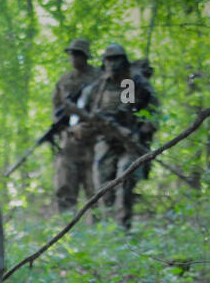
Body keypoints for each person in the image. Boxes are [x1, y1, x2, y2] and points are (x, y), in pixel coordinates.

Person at [75, 43, 159, 228]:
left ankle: (122, 227)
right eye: (109, 60)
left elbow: (142, 112)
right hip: (105, 141)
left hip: (130, 140)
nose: (112, 64)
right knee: (103, 185)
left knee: (125, 179)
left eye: (116, 59)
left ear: (124, 61)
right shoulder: (97, 88)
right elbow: (80, 117)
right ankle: (107, 227)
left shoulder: (131, 83)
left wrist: (142, 130)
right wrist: (83, 127)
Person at [51, 39, 101, 212]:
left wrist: (88, 126)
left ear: (85, 56)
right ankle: (66, 224)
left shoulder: (99, 77)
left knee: (94, 183)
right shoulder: (64, 80)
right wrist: (64, 128)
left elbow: (105, 110)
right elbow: (57, 108)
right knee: (65, 181)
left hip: (95, 139)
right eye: (71, 54)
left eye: (77, 54)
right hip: (70, 140)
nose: (73, 58)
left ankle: (99, 226)